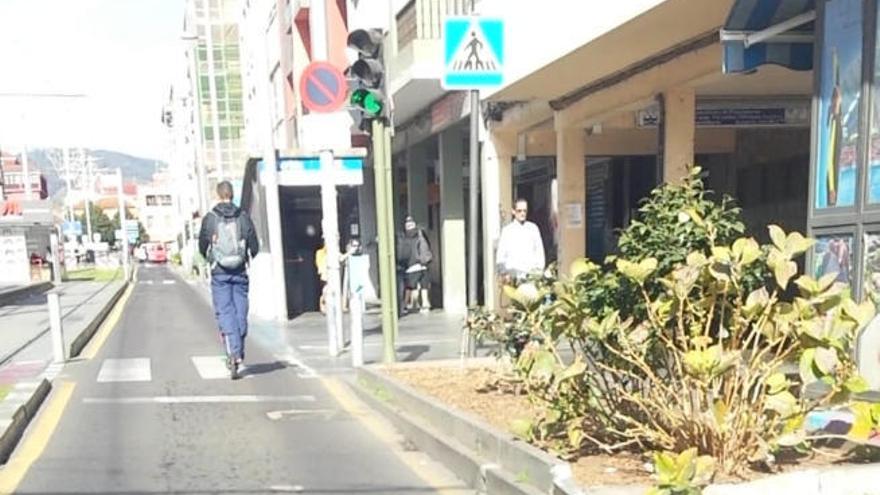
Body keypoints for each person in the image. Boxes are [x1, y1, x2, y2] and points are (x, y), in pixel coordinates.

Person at [198, 181, 259, 380]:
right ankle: (237, 348)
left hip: (220, 272)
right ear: (232, 195)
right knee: (241, 310)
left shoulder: (211, 218)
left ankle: (233, 353)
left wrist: (209, 256)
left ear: (218, 194)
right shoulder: (243, 217)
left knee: (225, 311)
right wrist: (247, 256)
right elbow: (254, 245)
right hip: (240, 271)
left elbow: (202, 244)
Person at [496, 198, 546, 284]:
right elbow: (501, 255)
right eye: (519, 211)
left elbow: (539, 252)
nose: (522, 213)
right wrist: (504, 272)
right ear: (513, 211)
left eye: (524, 211)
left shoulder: (533, 228)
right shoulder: (507, 231)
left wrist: (539, 272)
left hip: (531, 277)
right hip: (514, 278)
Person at [400, 216, 433, 314]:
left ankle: (411, 305)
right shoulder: (421, 234)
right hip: (423, 264)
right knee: (424, 286)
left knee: (411, 287)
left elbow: (403, 253)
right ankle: (425, 304)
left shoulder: (405, 237)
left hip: (412, 266)